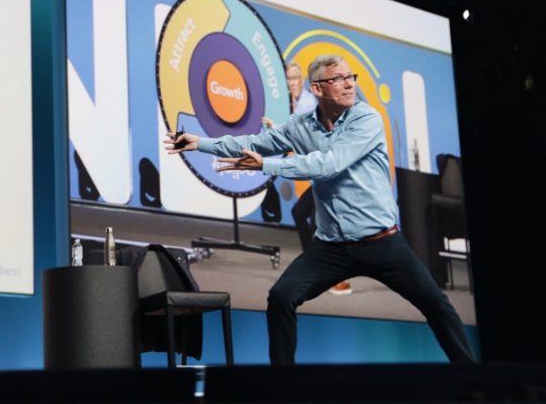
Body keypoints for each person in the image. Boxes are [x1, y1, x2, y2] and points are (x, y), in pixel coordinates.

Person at [164, 55, 475, 365]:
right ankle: (284, 387)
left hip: (382, 242)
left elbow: (328, 164)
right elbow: (256, 142)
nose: (349, 83)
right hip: (331, 248)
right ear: (318, 88)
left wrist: (268, 165)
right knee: (281, 297)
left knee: (436, 304)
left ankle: (473, 381)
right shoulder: (301, 126)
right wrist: (200, 143)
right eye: (338, 79)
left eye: (350, 76)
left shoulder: (366, 119)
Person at [263, 63, 351, 295]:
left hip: (329, 172)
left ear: (301, 80)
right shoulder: (292, 104)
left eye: (295, 78)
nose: (291, 82)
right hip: (319, 174)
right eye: (288, 78)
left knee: (313, 220)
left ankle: (331, 276)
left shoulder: (308, 104)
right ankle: (318, 270)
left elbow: (306, 134)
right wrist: (276, 128)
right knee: (303, 215)